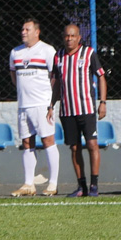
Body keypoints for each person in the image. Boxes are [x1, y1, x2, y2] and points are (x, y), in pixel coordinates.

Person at [51, 23, 108, 197]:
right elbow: (57, 82)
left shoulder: (88, 53)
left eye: (73, 36)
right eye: (66, 36)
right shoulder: (58, 56)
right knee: (74, 148)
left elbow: (101, 76)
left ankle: (94, 185)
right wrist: (51, 105)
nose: (69, 39)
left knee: (92, 144)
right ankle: (81, 186)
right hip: (67, 110)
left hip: (86, 108)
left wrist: (103, 102)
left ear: (79, 38)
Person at [9, 18, 60, 196]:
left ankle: (53, 184)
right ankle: (28, 184)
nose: (23, 32)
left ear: (37, 32)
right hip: (24, 105)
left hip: (42, 105)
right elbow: (14, 75)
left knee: (48, 141)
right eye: (22, 29)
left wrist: (50, 102)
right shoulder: (15, 52)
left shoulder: (47, 50)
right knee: (26, 142)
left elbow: (55, 77)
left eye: (27, 29)